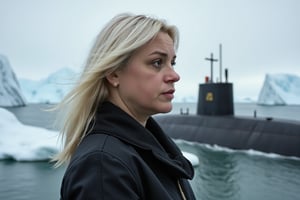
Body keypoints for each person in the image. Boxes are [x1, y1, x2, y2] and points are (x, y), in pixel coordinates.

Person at [53, 13, 196, 200]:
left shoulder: (151, 151)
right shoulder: (103, 165)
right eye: (157, 62)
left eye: (172, 62)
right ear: (113, 74)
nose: (174, 75)